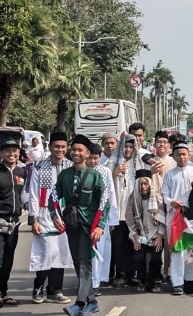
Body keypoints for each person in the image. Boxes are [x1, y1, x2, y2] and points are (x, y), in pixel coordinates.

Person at [49, 134, 109, 316]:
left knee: (84, 264)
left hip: (88, 227)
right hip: (71, 226)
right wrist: (54, 215)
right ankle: (92, 301)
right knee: (78, 263)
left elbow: (104, 202)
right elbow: (53, 195)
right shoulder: (64, 175)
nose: (75, 152)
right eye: (73, 149)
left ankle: (80, 304)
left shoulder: (95, 175)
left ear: (87, 153)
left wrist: (100, 226)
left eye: (79, 150)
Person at [28, 132, 73, 305]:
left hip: (64, 215)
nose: (60, 150)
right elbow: (33, 194)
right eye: (56, 146)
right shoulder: (40, 166)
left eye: (63, 147)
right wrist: (34, 219)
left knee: (60, 252)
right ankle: (38, 287)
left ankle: (55, 291)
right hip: (45, 215)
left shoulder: (70, 166)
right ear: (50, 147)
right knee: (46, 251)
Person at [161, 140, 193, 295]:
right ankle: (177, 283)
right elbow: (164, 194)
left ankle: (191, 280)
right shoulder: (169, 175)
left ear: (188, 155)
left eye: (184, 154)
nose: (181, 157)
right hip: (176, 217)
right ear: (173, 156)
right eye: (178, 154)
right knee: (178, 251)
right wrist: (172, 202)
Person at [109, 134, 143, 287]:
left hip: (133, 213)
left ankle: (132, 274)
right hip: (118, 212)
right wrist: (114, 172)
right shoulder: (112, 163)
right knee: (118, 246)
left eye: (131, 147)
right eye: (126, 147)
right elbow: (105, 184)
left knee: (133, 245)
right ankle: (120, 274)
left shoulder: (138, 164)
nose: (128, 150)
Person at [85, 144, 118, 296]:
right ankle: (85, 281)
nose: (92, 161)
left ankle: (95, 282)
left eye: (95, 158)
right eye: (90, 158)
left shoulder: (105, 172)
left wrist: (112, 220)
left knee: (98, 250)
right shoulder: (81, 171)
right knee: (84, 251)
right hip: (83, 217)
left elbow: (111, 196)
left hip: (100, 218)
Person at [125, 169, 165, 293]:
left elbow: (163, 218)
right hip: (140, 235)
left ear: (149, 184)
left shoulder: (157, 198)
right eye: (141, 184)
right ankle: (142, 281)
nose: (143, 187)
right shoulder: (133, 199)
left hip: (155, 235)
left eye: (145, 183)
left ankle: (153, 282)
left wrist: (159, 236)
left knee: (156, 259)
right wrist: (135, 237)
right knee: (138, 257)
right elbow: (129, 219)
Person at [0, 138, 27, 308]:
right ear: (2, 153)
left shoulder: (21, 172)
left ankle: (4, 293)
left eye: (14, 150)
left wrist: (28, 205)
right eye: (8, 150)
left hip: (14, 223)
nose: (12, 154)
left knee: (9, 259)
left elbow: (23, 194)